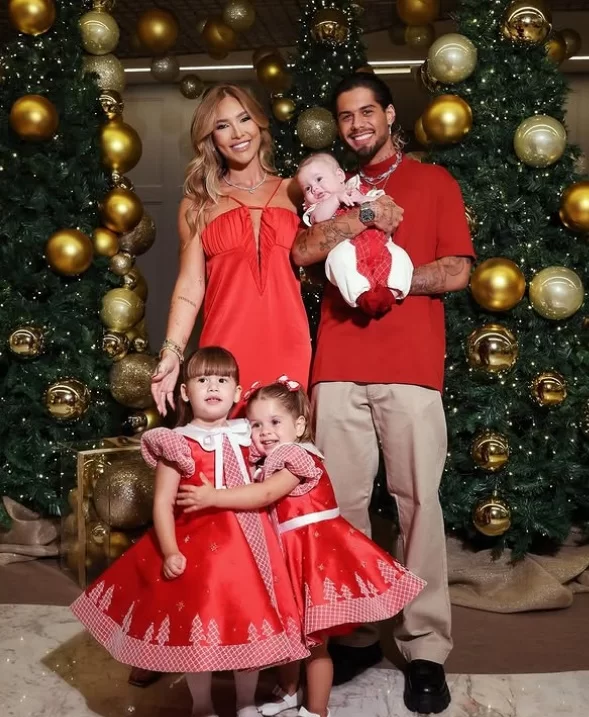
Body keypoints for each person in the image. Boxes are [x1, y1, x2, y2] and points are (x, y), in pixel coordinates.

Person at [291, 74, 475, 715]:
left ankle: (424, 648)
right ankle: (357, 632)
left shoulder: (434, 183)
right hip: (337, 367)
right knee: (338, 509)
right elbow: (302, 251)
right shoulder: (330, 190)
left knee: (419, 503)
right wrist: (360, 218)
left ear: (390, 115)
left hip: (412, 369)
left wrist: (391, 282)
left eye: (367, 111)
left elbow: (458, 270)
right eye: (345, 116)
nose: (356, 124)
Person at [71, 347, 310, 717]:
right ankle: (203, 703)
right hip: (196, 547)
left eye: (221, 380)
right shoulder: (177, 442)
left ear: (236, 392)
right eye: (201, 380)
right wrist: (169, 550)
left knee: (248, 623)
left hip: (250, 548)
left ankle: (246, 701)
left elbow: (281, 459)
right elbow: (162, 503)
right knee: (196, 631)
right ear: (185, 392)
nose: (212, 386)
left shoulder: (250, 433)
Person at [177, 379, 425, 717]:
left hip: (313, 558)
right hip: (285, 557)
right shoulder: (267, 460)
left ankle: (317, 709)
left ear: (299, 425)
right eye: (256, 424)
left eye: (275, 422)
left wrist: (214, 497)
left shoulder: (297, 456)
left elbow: (263, 496)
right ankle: (290, 690)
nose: (265, 432)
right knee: (290, 634)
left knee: (316, 644)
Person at [150, 84, 311, 421]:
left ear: (259, 123)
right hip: (225, 352)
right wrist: (172, 352)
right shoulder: (198, 204)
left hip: (290, 343)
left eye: (244, 119)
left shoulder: (296, 191)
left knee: (285, 451)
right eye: (222, 126)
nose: (237, 133)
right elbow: (190, 287)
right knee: (227, 461)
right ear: (211, 138)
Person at [297, 152, 413, 317]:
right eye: (307, 188)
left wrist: (361, 198)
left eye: (319, 179)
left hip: (379, 244)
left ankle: (391, 292)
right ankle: (362, 295)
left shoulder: (360, 190)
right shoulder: (317, 209)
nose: (314, 188)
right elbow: (320, 218)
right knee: (337, 259)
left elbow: (383, 209)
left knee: (400, 257)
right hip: (349, 248)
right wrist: (336, 198)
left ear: (339, 176)